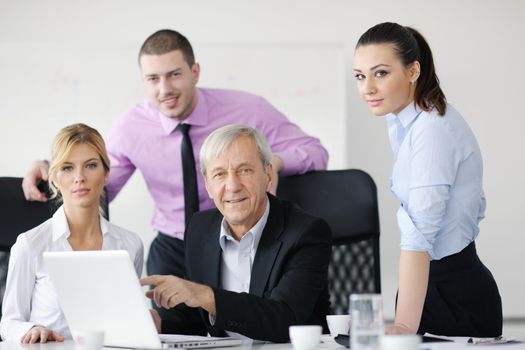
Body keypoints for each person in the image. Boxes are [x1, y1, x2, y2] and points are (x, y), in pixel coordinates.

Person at [21, 29, 328, 287]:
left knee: (238, 326)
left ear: (195, 72)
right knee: (169, 332)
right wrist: (51, 168)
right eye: (153, 79)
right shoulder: (132, 127)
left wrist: (275, 161)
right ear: (143, 81)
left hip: (235, 239)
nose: (164, 89)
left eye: (174, 75)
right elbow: (96, 182)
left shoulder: (248, 110)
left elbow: (316, 152)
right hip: (173, 244)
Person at [352, 22, 502, 337]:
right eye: (360, 76)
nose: (367, 88)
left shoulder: (432, 129)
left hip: (453, 297)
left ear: (413, 71)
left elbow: (420, 233)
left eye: (380, 73)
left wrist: (406, 323)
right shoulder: (404, 121)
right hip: (430, 289)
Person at [140, 124, 331, 342]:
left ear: (268, 175)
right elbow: (195, 319)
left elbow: (284, 319)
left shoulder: (305, 233)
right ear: (208, 186)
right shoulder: (199, 228)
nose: (232, 185)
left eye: (244, 170)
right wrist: (157, 322)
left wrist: (206, 295)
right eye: (219, 174)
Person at [0, 123, 144, 343]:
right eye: (67, 168)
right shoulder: (30, 244)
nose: (79, 177)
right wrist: (31, 329)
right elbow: (8, 323)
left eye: (91, 165)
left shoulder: (130, 245)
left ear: (106, 173)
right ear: (55, 178)